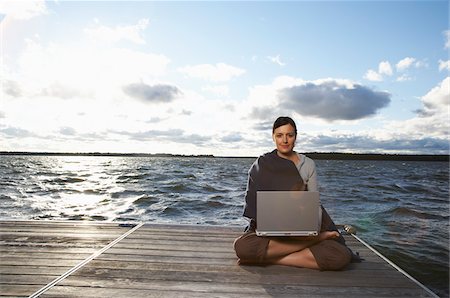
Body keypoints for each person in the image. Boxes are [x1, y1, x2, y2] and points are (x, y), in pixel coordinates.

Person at [233, 116, 352, 271]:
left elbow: (314, 201)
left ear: (296, 136)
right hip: (272, 230)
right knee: (243, 247)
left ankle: (268, 258)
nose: (285, 140)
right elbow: (256, 206)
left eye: (290, 135)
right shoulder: (262, 163)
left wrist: (312, 231)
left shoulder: (307, 164)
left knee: (339, 256)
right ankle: (310, 245)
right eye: (279, 135)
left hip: (304, 225)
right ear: (273, 137)